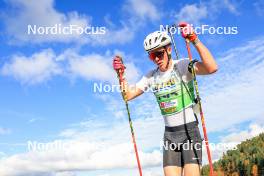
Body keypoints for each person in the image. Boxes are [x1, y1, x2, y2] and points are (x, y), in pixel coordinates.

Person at [112, 22, 218, 176]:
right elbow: (127, 95)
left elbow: (211, 68)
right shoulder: (151, 76)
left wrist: (195, 40)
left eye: (159, 54)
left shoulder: (182, 65)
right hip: (169, 136)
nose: (156, 59)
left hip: (190, 132)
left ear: (169, 50)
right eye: (151, 55)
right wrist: (121, 76)